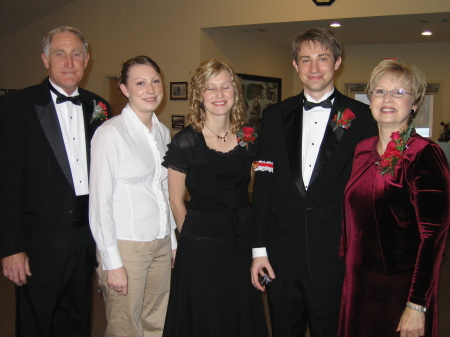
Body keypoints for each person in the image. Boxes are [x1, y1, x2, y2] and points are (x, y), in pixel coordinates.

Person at [250, 27, 377, 337]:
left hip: (335, 258)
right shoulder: (274, 116)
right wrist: (258, 251)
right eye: (305, 60)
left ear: (337, 62)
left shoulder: (362, 117)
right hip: (281, 259)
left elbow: (370, 191)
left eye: (322, 58)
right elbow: (263, 187)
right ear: (295, 65)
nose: (314, 68)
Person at [0, 26, 110, 337]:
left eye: (76, 54)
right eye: (60, 54)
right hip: (38, 240)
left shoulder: (99, 108)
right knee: (36, 322)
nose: (69, 61)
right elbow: (6, 183)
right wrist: (11, 248)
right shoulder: (17, 106)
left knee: (77, 316)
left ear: (87, 59)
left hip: (84, 235)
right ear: (45, 59)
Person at [338, 59, 450, 337]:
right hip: (358, 280)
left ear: (414, 104)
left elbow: (433, 236)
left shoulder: (424, 153)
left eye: (399, 92)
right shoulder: (362, 149)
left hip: (401, 286)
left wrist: (417, 304)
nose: (387, 99)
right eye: (379, 91)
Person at [162, 59, 267, 337]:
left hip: (241, 242)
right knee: (202, 315)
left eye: (225, 87)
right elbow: (175, 199)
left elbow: (267, 183)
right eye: (211, 88)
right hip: (200, 246)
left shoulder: (250, 138)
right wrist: (193, 242)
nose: (219, 95)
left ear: (235, 92)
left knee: (237, 312)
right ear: (199, 95)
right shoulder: (185, 141)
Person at [89, 56, 177, 337]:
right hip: (127, 247)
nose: (150, 89)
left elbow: (165, 190)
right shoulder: (110, 134)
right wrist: (112, 262)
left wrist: (172, 240)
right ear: (125, 89)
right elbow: (99, 204)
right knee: (125, 326)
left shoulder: (163, 133)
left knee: (157, 321)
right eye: (140, 83)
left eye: (154, 81)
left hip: (160, 242)